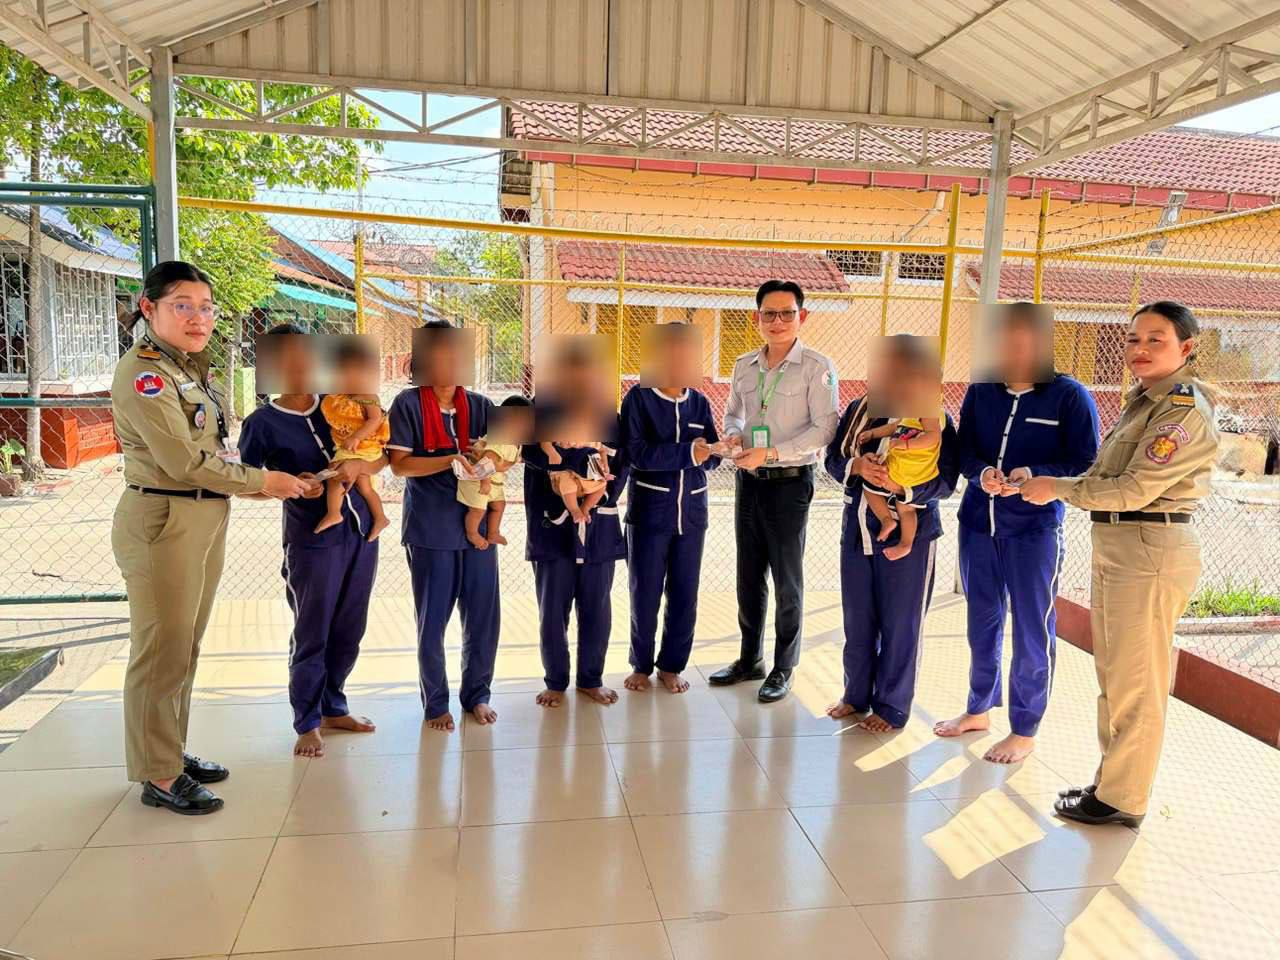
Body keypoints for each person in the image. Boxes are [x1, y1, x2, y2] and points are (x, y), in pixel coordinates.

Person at [111, 262, 311, 815]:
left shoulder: (187, 367)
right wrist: (263, 481)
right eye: (182, 305)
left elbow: (213, 452)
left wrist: (261, 484)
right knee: (161, 649)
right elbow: (181, 461)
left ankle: (168, 751)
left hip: (201, 515)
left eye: (206, 307)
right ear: (149, 308)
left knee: (184, 644)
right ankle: (158, 773)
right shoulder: (146, 375)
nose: (198, 318)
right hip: (164, 519)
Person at [1019, 301, 1219, 827]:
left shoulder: (1181, 410)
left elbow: (1132, 489)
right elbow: (1105, 476)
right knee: (1117, 675)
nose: (1140, 348)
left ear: (1186, 347)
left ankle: (1124, 799)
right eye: (1133, 339)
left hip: (1150, 549)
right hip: (1123, 545)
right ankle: (1112, 784)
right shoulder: (1144, 402)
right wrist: (1041, 479)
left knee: (1138, 682)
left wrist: (1056, 489)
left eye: (1156, 339)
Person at [934, 302, 1099, 764]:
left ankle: (1025, 729)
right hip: (977, 526)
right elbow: (964, 450)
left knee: (1031, 627)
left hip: (1034, 532)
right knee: (982, 621)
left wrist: (1035, 473)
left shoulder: (1070, 397)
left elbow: (1085, 462)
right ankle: (978, 709)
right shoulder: (982, 390)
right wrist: (981, 473)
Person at [238, 325, 387, 758]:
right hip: (311, 539)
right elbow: (243, 483)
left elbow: (380, 457)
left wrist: (359, 468)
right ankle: (306, 720)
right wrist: (285, 485)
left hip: (361, 531)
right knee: (312, 628)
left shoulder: (340, 403)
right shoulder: (262, 424)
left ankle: (333, 706)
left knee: (350, 626)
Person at [709, 279, 840, 703]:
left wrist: (771, 452)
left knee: (787, 578)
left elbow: (825, 428)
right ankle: (750, 659)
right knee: (749, 575)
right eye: (769, 313)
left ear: (802, 317)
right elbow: (733, 413)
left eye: (787, 313)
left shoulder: (817, 366)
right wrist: (733, 436)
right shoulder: (744, 365)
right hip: (748, 481)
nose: (778, 321)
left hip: (790, 483)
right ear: (757, 318)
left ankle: (784, 666)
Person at [823, 335, 959, 731]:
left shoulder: (934, 416)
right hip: (858, 527)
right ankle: (855, 695)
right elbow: (833, 460)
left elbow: (947, 482)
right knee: (858, 618)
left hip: (912, 530)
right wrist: (858, 467)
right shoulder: (859, 409)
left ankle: (892, 706)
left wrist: (903, 490)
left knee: (902, 623)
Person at [387, 321, 500, 731]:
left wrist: (492, 458)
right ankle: (435, 703)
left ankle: (478, 695)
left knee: (483, 616)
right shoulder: (408, 405)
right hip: (431, 527)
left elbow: (507, 452)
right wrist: (451, 460)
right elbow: (400, 465)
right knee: (432, 622)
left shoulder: (482, 406)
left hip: (478, 526)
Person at [522, 334, 628, 707]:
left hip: (598, 526)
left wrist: (599, 494)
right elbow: (524, 452)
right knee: (553, 610)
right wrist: (569, 459)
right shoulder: (536, 409)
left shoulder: (607, 413)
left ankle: (590, 679)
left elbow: (621, 462)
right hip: (551, 526)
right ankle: (555, 681)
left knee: (597, 607)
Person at [621, 322, 722, 694]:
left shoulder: (699, 402)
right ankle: (641, 664)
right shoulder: (639, 398)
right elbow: (637, 453)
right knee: (644, 593)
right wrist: (690, 453)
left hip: (692, 515)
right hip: (650, 513)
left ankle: (671, 666)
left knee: (684, 594)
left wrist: (718, 451)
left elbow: (711, 456)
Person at [853, 362, 944, 562]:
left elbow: (933, 437)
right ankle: (894, 529)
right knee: (900, 504)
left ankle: (899, 535)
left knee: (878, 490)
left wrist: (906, 445)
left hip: (913, 470)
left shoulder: (930, 409)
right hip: (902, 468)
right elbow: (895, 428)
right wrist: (873, 433)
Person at [314, 337, 391, 540]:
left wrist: (356, 437)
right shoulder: (337, 398)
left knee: (334, 472)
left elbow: (375, 419)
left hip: (364, 447)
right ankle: (380, 517)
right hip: (358, 449)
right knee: (365, 487)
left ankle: (334, 512)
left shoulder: (368, 396)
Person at [456, 395, 530, 548]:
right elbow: (486, 461)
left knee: (500, 505)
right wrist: (485, 482)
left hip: (495, 483)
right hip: (478, 481)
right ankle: (472, 533)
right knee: (477, 510)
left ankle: (493, 533)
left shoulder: (515, 441)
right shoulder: (499, 438)